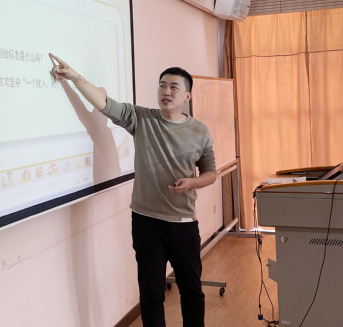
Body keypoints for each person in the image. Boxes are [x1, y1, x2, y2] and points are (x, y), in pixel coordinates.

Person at [49, 53, 217, 327]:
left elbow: (210, 173)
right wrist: (74, 77)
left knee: (192, 291)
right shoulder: (142, 118)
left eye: (174, 87)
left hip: (183, 223)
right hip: (146, 222)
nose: (166, 91)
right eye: (162, 85)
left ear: (187, 96)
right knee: (151, 295)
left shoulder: (199, 131)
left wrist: (192, 182)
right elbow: (106, 105)